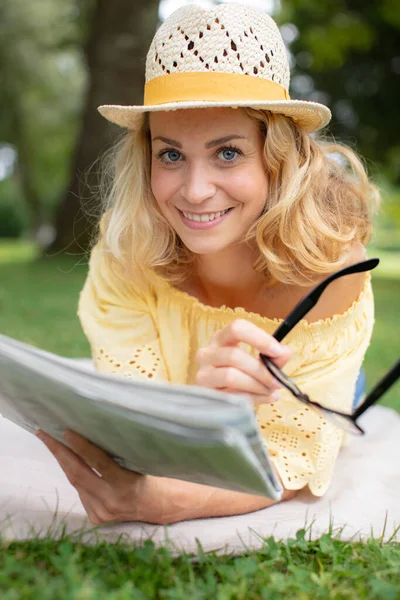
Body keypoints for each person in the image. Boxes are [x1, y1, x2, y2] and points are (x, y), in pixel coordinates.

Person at [36, 3, 380, 526]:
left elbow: (294, 450)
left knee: (340, 404)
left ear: (276, 155)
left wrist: (168, 501)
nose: (195, 192)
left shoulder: (334, 273)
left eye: (227, 153)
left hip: (314, 367)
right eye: (171, 155)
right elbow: (136, 421)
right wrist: (196, 405)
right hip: (193, 385)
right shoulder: (126, 247)